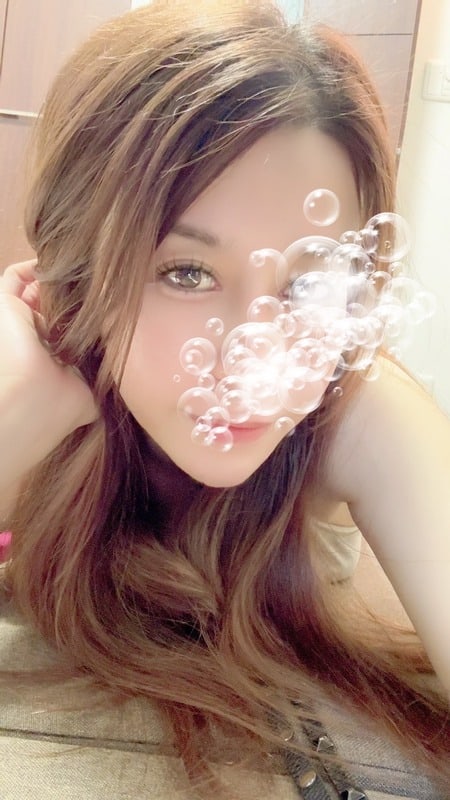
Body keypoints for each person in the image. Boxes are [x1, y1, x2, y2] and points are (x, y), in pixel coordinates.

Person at [0, 1, 449, 797]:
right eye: (186, 272)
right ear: (80, 267)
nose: (257, 358)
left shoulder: (354, 399)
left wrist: (381, 432)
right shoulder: (38, 373)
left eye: (308, 281)